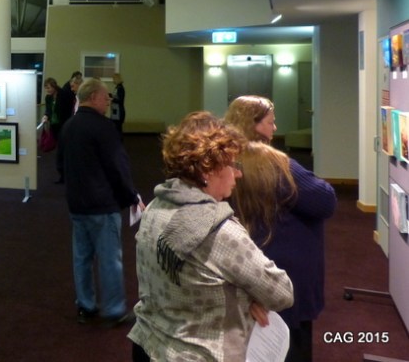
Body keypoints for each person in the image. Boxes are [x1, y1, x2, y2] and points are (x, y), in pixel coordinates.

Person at [128, 111, 294, 361]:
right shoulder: (218, 231)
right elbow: (282, 293)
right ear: (209, 169)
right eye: (234, 165)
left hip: (150, 344)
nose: (238, 173)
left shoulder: (154, 208)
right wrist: (247, 299)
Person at [226, 96, 337, 362]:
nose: (275, 128)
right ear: (253, 125)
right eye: (270, 122)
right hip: (284, 273)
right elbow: (325, 201)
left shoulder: (225, 161)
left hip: (245, 271)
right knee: (291, 346)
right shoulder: (273, 164)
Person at [57, 78, 144, 326]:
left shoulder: (68, 126)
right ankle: (114, 310)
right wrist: (131, 196)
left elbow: (60, 165)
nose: (108, 101)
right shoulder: (104, 127)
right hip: (102, 205)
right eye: (105, 97)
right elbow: (117, 166)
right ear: (94, 97)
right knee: (109, 259)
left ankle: (86, 306)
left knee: (81, 258)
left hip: (77, 204)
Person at [54, 71, 83, 183]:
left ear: (79, 85)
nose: (71, 89)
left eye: (73, 86)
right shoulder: (76, 97)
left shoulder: (82, 99)